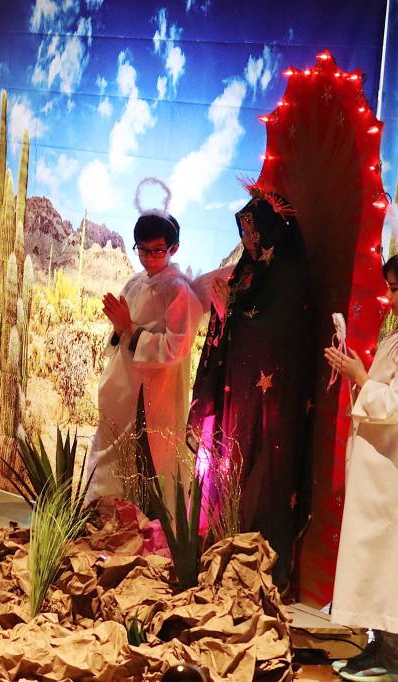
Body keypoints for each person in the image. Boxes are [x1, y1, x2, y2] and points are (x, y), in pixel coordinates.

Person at [324, 248, 398, 682]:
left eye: (396, 289)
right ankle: (381, 646)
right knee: (377, 554)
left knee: (396, 555)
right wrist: (358, 374)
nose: (389, 298)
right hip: (385, 465)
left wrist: (359, 376)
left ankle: (395, 657)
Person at [187, 187, 315, 591]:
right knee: (229, 474)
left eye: (252, 234)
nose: (247, 242)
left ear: (269, 234)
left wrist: (230, 312)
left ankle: (254, 570)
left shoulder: (288, 280)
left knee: (258, 480)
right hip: (236, 397)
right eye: (243, 234)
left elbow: (268, 339)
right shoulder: (248, 270)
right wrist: (225, 312)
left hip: (267, 410)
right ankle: (220, 553)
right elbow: (236, 318)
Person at [85, 209, 204, 512]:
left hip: (152, 394)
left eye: (157, 250)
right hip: (121, 386)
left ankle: (146, 525)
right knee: (111, 455)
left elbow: (175, 349)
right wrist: (119, 329)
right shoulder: (134, 283)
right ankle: (105, 518)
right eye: (142, 250)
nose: (149, 257)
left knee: (147, 461)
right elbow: (119, 334)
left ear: (173, 248)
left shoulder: (178, 291)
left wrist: (130, 329)